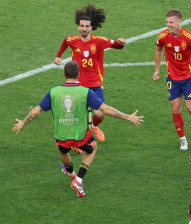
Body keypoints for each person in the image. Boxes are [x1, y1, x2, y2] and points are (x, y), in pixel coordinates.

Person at [12, 61, 144, 197]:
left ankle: (70, 173)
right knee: (92, 148)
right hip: (80, 136)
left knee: (63, 152)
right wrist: (128, 117)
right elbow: (105, 109)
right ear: (78, 75)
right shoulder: (85, 92)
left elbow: (35, 112)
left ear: (64, 74)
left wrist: (23, 123)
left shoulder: (53, 92)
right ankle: (78, 180)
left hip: (61, 135)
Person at [54, 4, 127, 142]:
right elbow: (65, 42)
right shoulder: (72, 40)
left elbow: (115, 44)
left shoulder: (99, 41)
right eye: (82, 26)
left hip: (95, 83)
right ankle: (76, 143)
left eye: (87, 26)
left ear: (91, 27)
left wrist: (121, 43)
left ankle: (94, 126)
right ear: (78, 27)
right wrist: (58, 56)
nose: (84, 29)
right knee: (77, 116)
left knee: (100, 114)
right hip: (78, 84)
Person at [153, 9, 191, 150]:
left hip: (188, 78)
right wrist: (157, 70)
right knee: (176, 108)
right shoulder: (163, 36)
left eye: (171, 22)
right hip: (172, 78)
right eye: (167, 22)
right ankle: (182, 139)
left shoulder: (190, 38)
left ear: (179, 22)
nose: (168, 25)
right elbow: (159, 51)